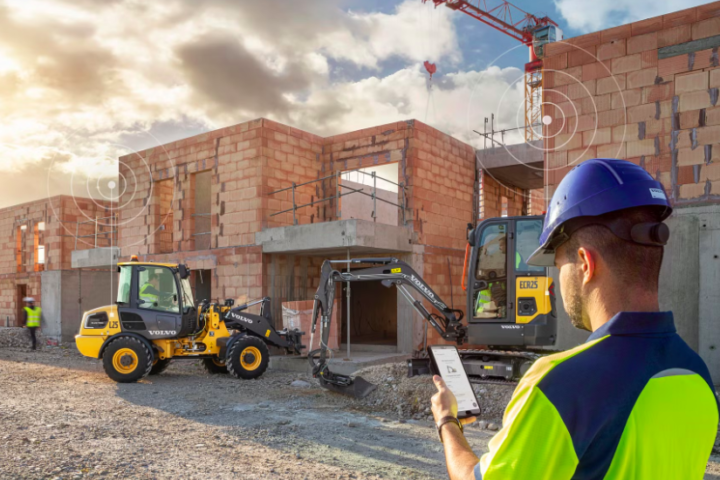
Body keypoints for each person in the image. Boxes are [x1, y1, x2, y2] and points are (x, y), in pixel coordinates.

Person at [432, 159, 718, 479]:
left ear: (584, 263)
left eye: (556, 263)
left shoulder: (559, 384)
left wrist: (447, 421)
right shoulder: (696, 374)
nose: (554, 279)